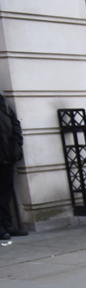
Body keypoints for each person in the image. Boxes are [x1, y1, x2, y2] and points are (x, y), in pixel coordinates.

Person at [0, 92, 27, 241]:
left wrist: (16, 146)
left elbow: (15, 125)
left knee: (6, 194)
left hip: (6, 157)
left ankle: (7, 225)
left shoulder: (3, 103)